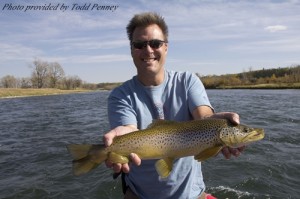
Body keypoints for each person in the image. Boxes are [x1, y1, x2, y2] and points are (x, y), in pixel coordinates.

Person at [103, 12, 244, 199]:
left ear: (166, 47)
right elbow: (128, 128)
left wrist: (214, 123)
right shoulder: (120, 95)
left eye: (155, 43)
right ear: (131, 49)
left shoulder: (188, 81)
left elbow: (204, 117)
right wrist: (123, 137)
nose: (148, 50)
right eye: (139, 45)